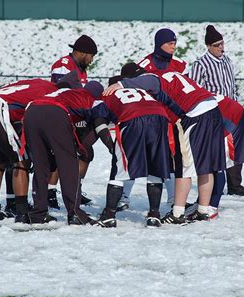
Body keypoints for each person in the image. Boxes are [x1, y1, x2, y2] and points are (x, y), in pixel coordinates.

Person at [104, 64, 226, 224]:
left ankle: (177, 213)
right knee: (206, 165)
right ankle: (203, 210)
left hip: (193, 113)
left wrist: (121, 84)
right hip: (212, 107)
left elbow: (150, 82)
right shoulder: (166, 72)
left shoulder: (150, 78)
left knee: (184, 166)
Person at [23, 81, 113, 225]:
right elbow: (100, 125)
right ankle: (75, 212)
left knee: (41, 165)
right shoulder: (94, 100)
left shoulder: (67, 92)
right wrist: (111, 146)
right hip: (55, 112)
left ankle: (38, 213)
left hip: (31, 111)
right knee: (68, 165)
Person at [0, 78, 61, 223]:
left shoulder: (37, 82)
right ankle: (22, 211)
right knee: (21, 162)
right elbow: (38, 117)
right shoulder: (51, 92)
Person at [118, 28, 188, 211]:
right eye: (169, 43)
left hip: (172, 117)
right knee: (134, 155)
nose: (173, 47)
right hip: (148, 116)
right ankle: (123, 198)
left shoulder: (180, 64)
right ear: (159, 44)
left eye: (175, 43)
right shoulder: (145, 65)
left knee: (171, 158)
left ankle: (173, 198)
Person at [92, 75, 172, 228]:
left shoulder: (107, 95)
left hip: (132, 118)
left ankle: (109, 214)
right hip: (160, 117)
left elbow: (98, 119)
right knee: (155, 168)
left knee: (120, 168)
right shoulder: (142, 91)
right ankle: (154, 214)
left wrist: (110, 144)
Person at [189, 25, 244, 197]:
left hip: (232, 110)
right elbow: (194, 90)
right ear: (208, 46)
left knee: (236, 146)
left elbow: (232, 85)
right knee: (216, 148)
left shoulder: (227, 61)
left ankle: (235, 185)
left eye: (222, 43)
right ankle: (215, 184)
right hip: (214, 112)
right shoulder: (200, 64)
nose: (221, 47)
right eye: (217, 45)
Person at [48, 35, 99, 209]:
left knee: (86, 152)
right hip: (61, 115)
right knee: (58, 155)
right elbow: (61, 92)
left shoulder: (81, 68)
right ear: (83, 53)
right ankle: (50, 192)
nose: (92, 60)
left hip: (76, 116)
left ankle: (76, 188)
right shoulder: (64, 66)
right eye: (91, 56)